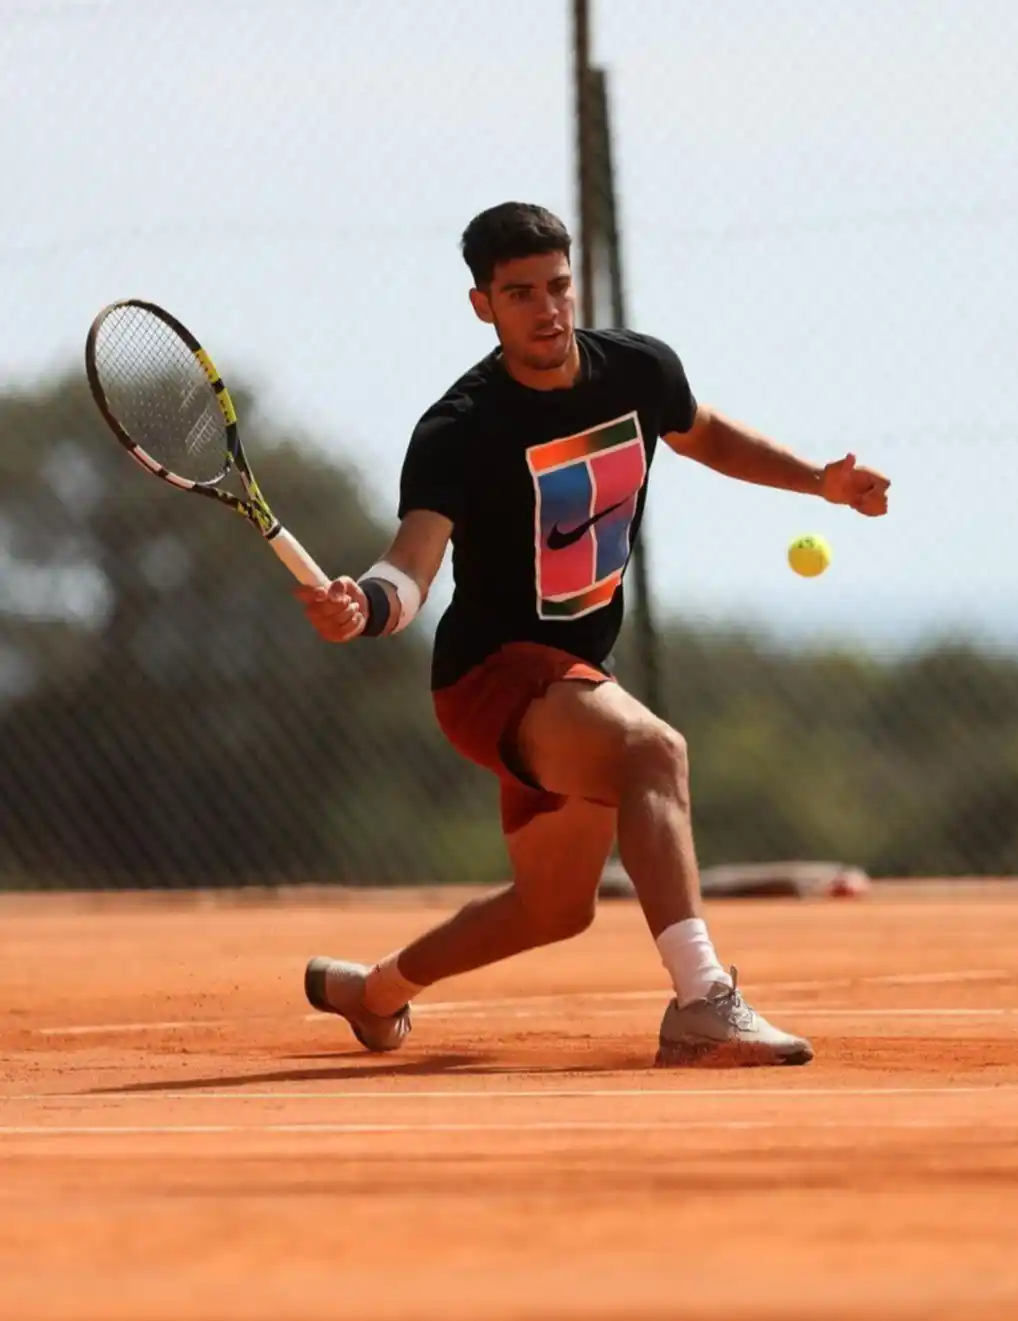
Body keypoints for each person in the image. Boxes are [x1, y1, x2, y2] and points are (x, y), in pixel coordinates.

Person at [296, 202, 890, 1068]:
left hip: (574, 670)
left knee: (554, 908)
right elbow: (411, 564)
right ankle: (702, 1001)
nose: (547, 309)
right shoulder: (458, 429)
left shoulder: (638, 372)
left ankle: (372, 992)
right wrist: (368, 604)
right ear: (483, 306)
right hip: (489, 677)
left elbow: (706, 434)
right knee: (655, 751)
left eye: (559, 287)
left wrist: (819, 483)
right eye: (521, 293)